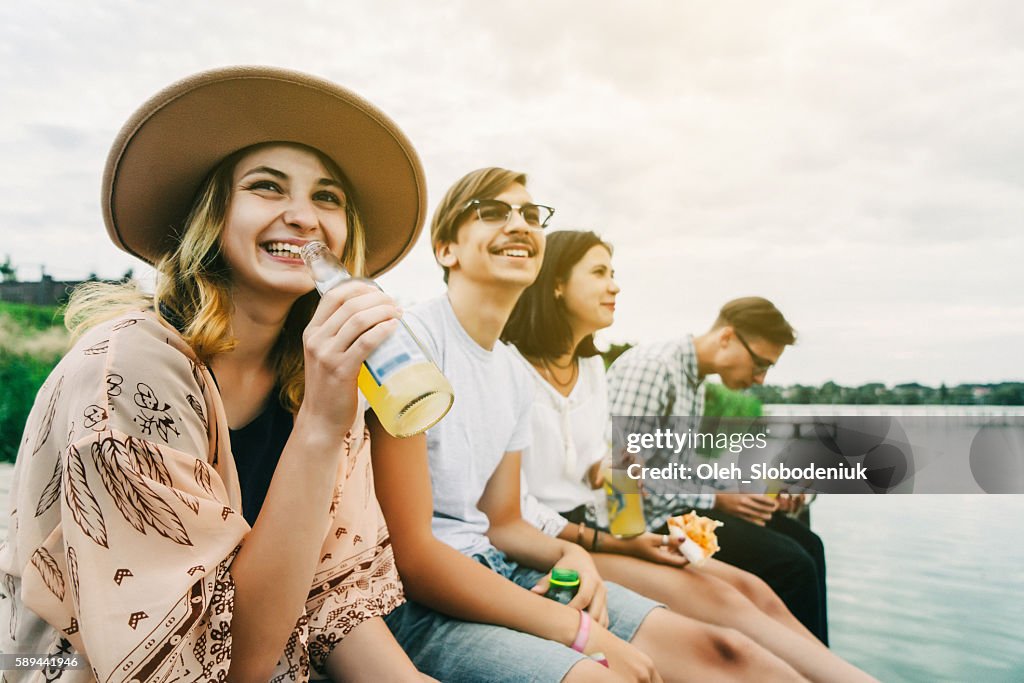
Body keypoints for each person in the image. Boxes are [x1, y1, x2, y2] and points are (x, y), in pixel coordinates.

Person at [0, 67, 429, 682]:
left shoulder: (320, 374)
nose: (304, 217)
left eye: (327, 197)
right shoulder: (127, 374)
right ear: (211, 214)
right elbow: (224, 665)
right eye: (267, 186)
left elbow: (332, 595)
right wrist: (318, 429)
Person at [372, 168, 810, 682]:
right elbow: (465, 530)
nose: (615, 287)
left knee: (753, 605)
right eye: (600, 273)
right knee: (757, 584)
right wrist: (619, 535)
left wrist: (601, 538)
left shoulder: (574, 371)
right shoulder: (430, 346)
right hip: (546, 537)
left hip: (565, 539)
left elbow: (610, 469)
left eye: (531, 216)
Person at [503, 230, 876, 682]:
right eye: (600, 273)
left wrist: (746, 483)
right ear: (557, 283)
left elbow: (618, 464)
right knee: (775, 576)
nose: (615, 286)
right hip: (602, 530)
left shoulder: (593, 369)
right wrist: (708, 500)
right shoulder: (643, 368)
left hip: (618, 522)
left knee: (763, 582)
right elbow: (593, 491)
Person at [607, 296, 830, 644]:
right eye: (759, 363)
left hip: (677, 511)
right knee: (792, 564)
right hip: (649, 524)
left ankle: (812, 666)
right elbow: (619, 475)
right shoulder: (654, 368)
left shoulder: (692, 379)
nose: (760, 378)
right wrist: (716, 500)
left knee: (808, 544)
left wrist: (747, 487)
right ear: (727, 337)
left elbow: (678, 467)